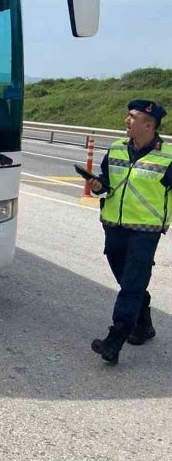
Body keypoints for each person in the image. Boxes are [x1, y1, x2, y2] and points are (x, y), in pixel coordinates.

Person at [86, 99, 172, 364]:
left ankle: (115, 339)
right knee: (129, 281)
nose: (127, 120)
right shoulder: (116, 149)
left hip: (146, 230)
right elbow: (107, 184)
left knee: (133, 279)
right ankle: (144, 323)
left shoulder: (168, 156)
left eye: (132, 117)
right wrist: (98, 186)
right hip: (114, 226)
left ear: (149, 124)